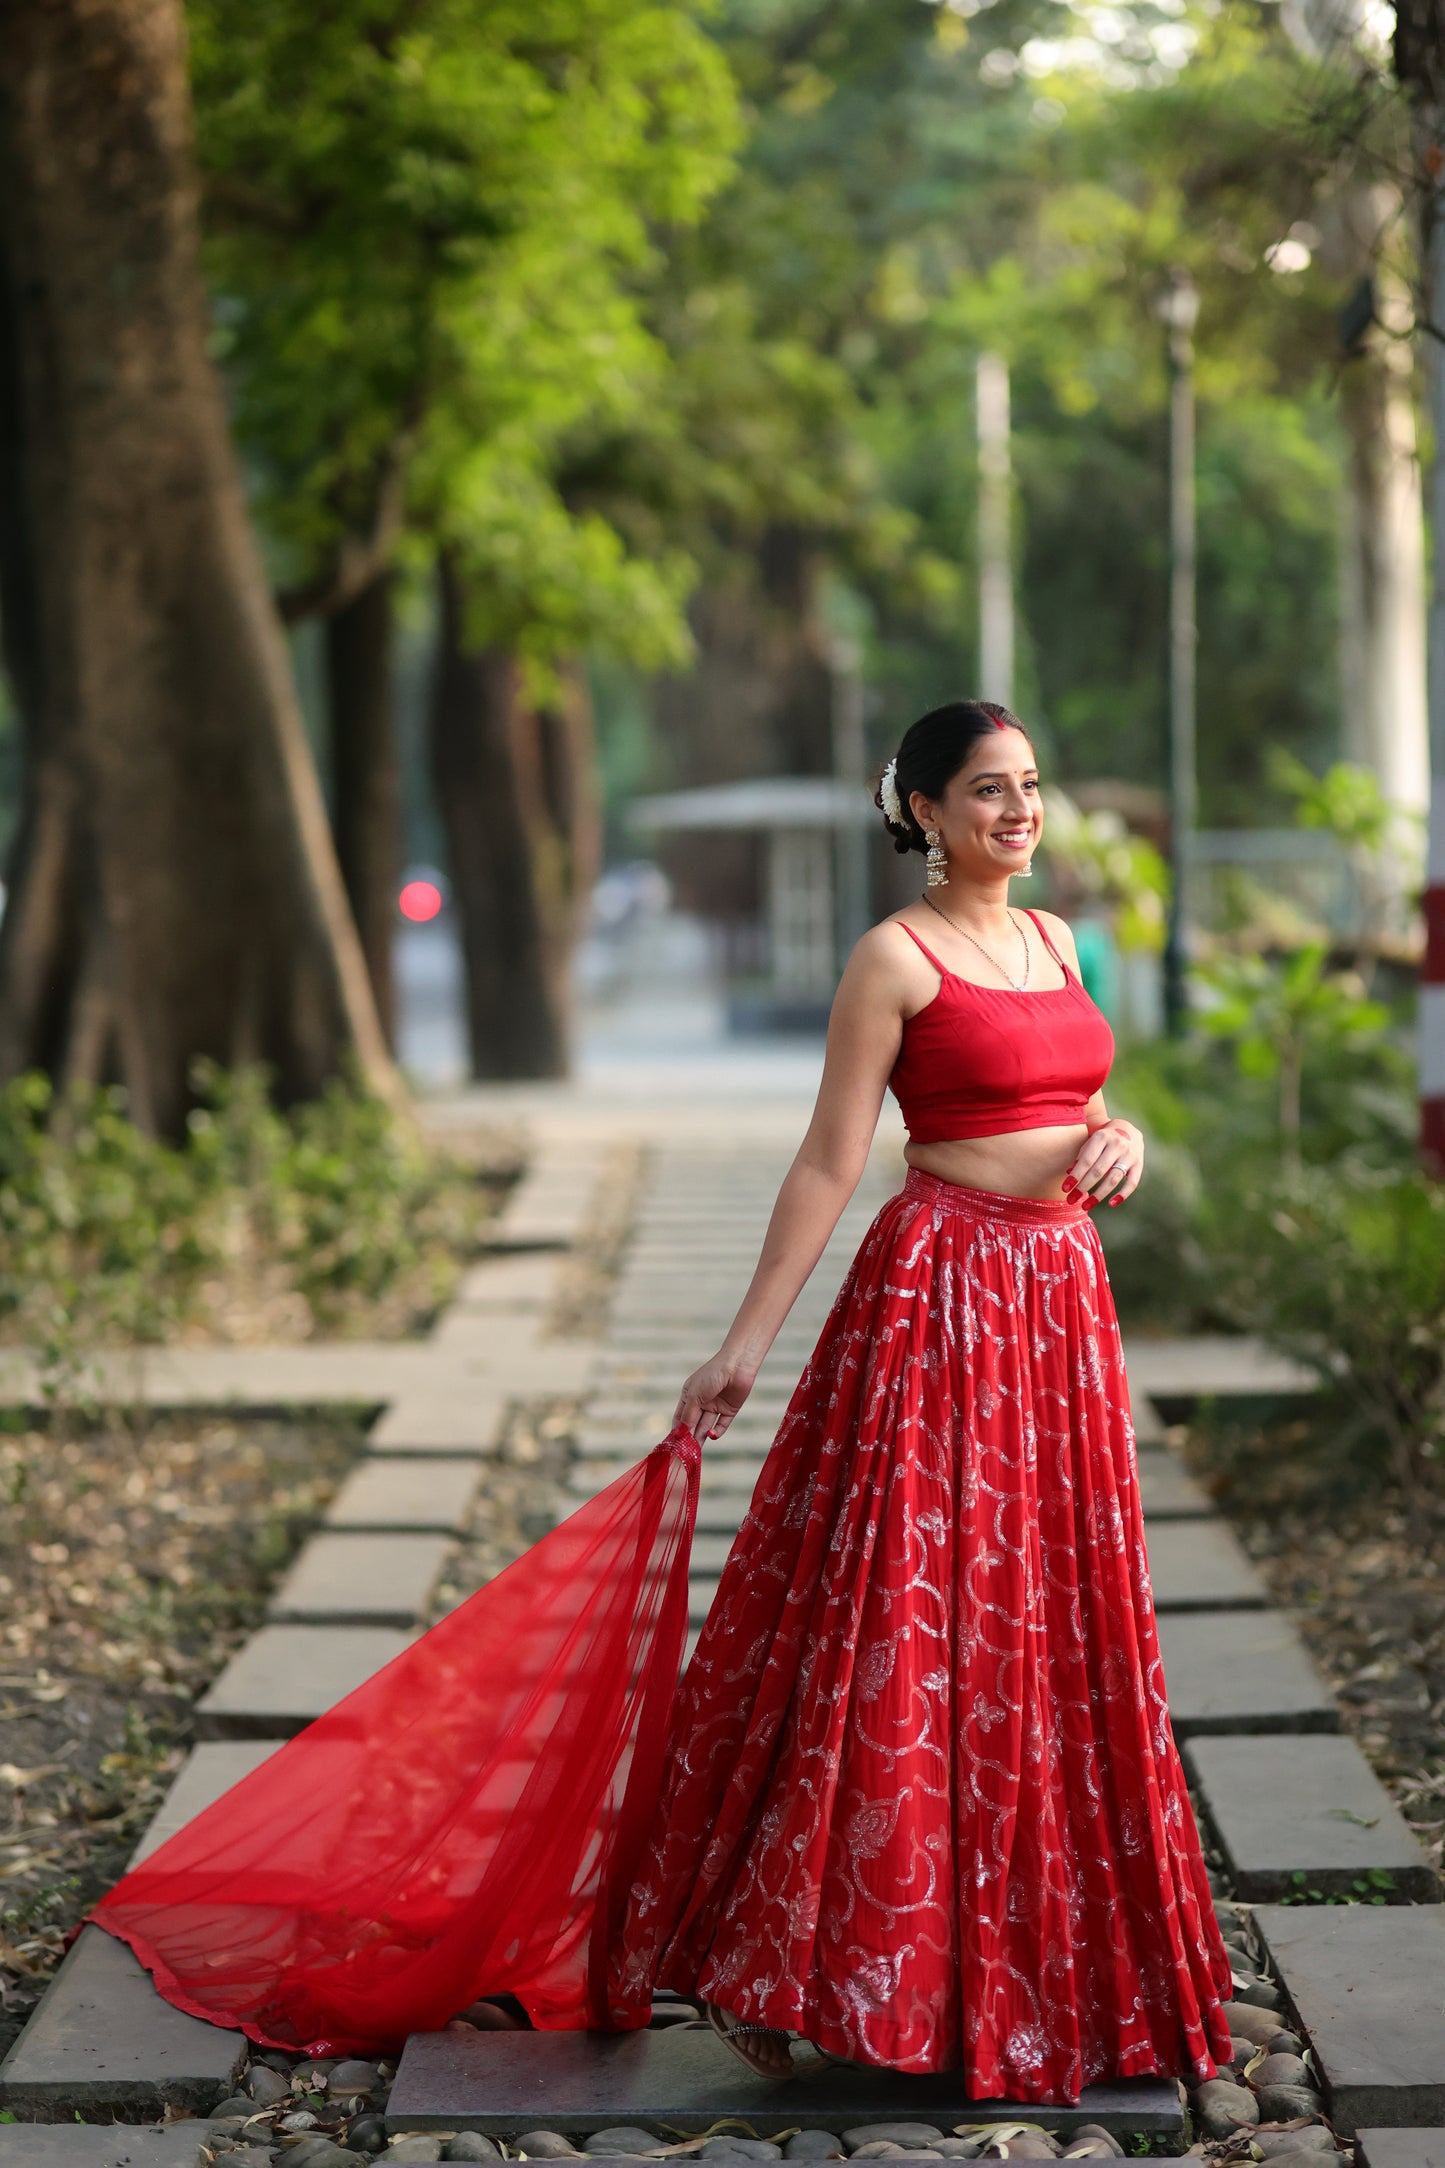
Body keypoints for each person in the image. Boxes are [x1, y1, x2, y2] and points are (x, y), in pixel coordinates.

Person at [88, 699, 1232, 2110]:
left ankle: (1037, 1970)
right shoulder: (893, 958)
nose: (1019, 811)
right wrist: (744, 1345)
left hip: (1058, 1310)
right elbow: (829, 1161)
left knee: (1045, 1624)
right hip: (941, 1307)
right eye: (988, 790)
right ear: (926, 811)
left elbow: (1078, 1103)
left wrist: (1120, 1136)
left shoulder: (1055, 942)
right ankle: (827, 1969)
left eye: (1030, 786)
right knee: (905, 1630)